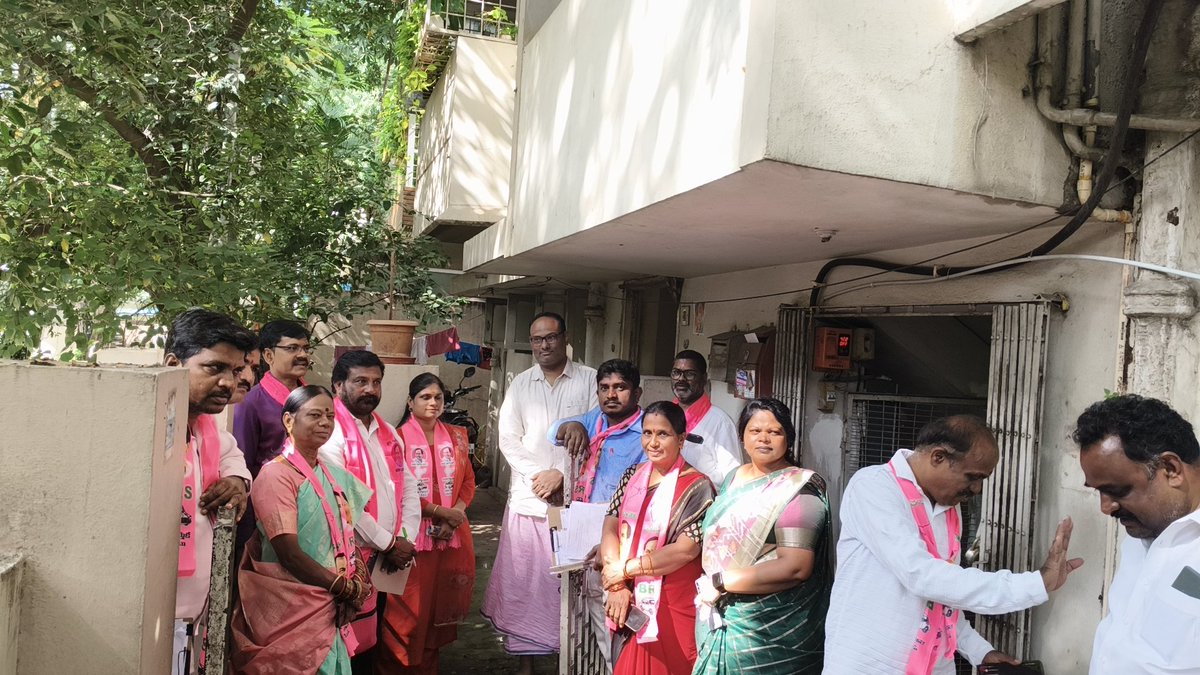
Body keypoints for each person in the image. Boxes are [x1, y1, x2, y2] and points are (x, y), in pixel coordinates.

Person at [824, 415, 1084, 674]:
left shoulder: (949, 508)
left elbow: (941, 599)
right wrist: (1034, 583)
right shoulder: (874, 486)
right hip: (868, 666)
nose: (977, 489)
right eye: (972, 477)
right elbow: (923, 577)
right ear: (938, 457)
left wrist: (980, 651)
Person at [482, 312, 597, 672]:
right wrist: (540, 476)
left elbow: (599, 432)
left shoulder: (591, 380)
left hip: (575, 505)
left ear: (565, 338)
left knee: (571, 588)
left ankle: (571, 661)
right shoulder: (520, 384)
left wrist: (562, 475)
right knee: (525, 588)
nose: (543, 345)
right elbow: (508, 440)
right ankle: (526, 665)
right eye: (536, 340)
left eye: (550, 337)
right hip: (529, 503)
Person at [232, 385, 373, 675]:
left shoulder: (332, 474)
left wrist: (354, 583)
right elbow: (289, 554)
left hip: (329, 604)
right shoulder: (276, 475)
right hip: (293, 608)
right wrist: (343, 588)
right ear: (288, 421)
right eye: (315, 415)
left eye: (330, 416)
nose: (325, 423)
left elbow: (346, 535)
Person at [692, 398, 831, 674]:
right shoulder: (733, 478)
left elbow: (795, 567)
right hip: (718, 612)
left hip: (772, 630)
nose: (764, 438)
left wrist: (720, 582)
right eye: (755, 431)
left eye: (775, 432)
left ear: (788, 439)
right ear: (742, 436)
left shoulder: (798, 489)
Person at [1074, 394, 1200, 674]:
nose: (1106, 508)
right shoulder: (1141, 532)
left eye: (1118, 491)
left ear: (1170, 469)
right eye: (1099, 492)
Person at [162, 308, 255, 675]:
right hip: (154, 615)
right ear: (173, 363)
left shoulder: (206, 427)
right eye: (214, 368)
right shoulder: (150, 427)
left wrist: (236, 482)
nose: (229, 383)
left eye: (234, 371)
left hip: (193, 617)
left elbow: (235, 458)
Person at [318, 350, 420, 669]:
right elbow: (343, 504)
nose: (370, 390)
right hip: (347, 561)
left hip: (386, 559)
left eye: (376, 382)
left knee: (370, 642)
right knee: (341, 645)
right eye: (360, 381)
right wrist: (388, 543)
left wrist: (404, 539)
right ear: (338, 385)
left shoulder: (387, 431)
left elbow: (409, 489)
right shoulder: (329, 431)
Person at [599, 401, 714, 675]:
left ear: (682, 439)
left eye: (662, 434)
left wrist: (624, 570)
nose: (653, 442)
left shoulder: (699, 486)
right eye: (647, 433)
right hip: (627, 593)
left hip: (672, 601)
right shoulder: (632, 475)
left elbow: (686, 550)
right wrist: (617, 586)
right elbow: (611, 526)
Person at [550, 358, 649, 671]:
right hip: (587, 534)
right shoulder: (595, 421)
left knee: (625, 625)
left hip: (626, 539)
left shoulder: (647, 431)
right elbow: (555, 430)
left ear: (637, 393)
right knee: (595, 624)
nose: (611, 394)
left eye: (620, 387)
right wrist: (573, 425)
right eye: (604, 388)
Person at [377, 373, 477, 674]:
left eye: (438, 397)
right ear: (410, 402)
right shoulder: (397, 438)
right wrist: (438, 511)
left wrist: (454, 515)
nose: (433, 403)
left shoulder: (458, 436)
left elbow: (469, 481)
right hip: (410, 538)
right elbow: (395, 489)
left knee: (436, 610)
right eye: (425, 397)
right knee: (406, 612)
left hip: (449, 538)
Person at [233, 320, 312, 547]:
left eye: (305, 348)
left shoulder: (313, 399)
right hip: (264, 514)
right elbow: (243, 465)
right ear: (268, 356)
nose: (302, 355)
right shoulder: (251, 402)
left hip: (309, 508)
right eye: (292, 348)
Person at [669, 350, 741, 486]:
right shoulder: (664, 416)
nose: (681, 379)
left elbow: (732, 478)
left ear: (703, 379)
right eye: (676, 373)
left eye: (690, 374)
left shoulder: (720, 422)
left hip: (704, 501)